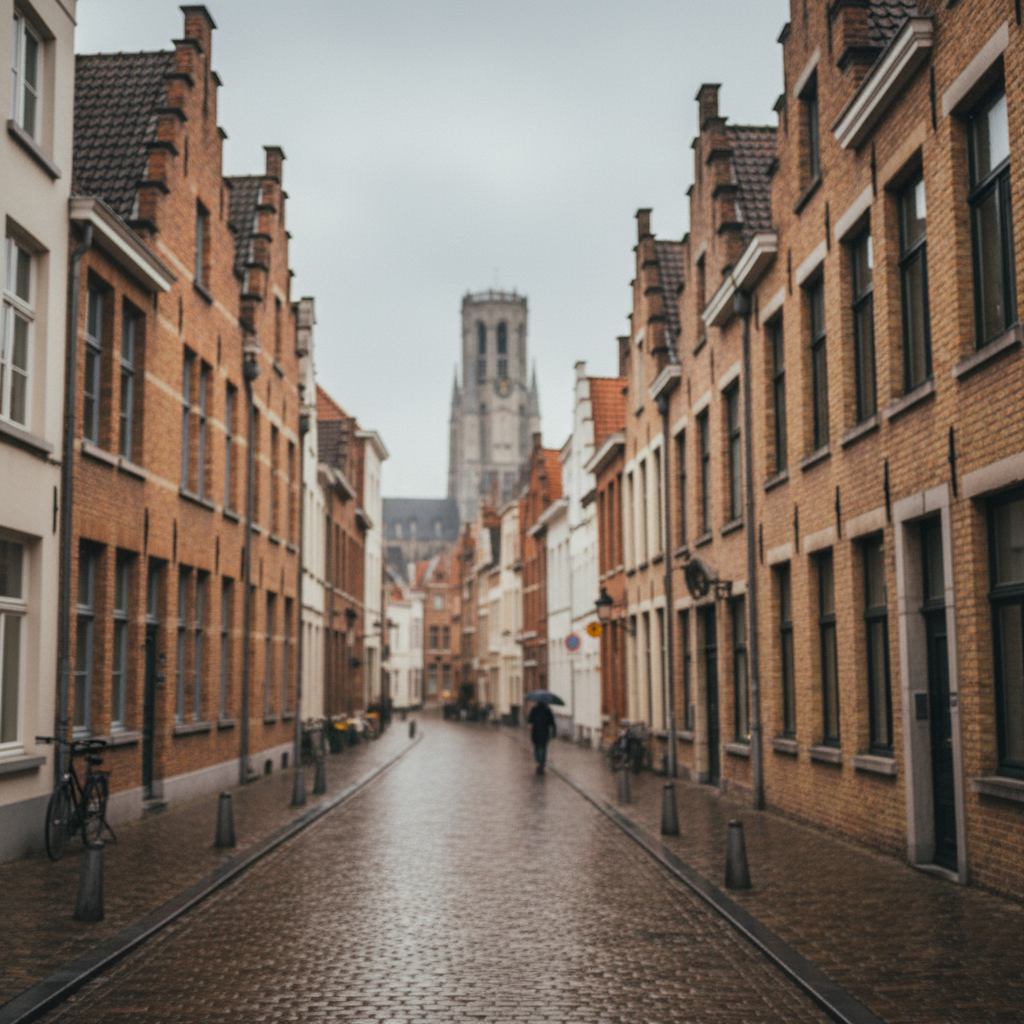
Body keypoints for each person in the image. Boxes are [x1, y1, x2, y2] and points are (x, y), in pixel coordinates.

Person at [527, 700, 556, 773]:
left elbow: (530, 720)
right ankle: (542, 763)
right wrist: (554, 732)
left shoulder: (534, 710)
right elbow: (552, 722)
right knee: (543, 748)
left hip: (536, 732)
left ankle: (538, 762)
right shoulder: (547, 710)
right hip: (545, 733)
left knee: (537, 748)